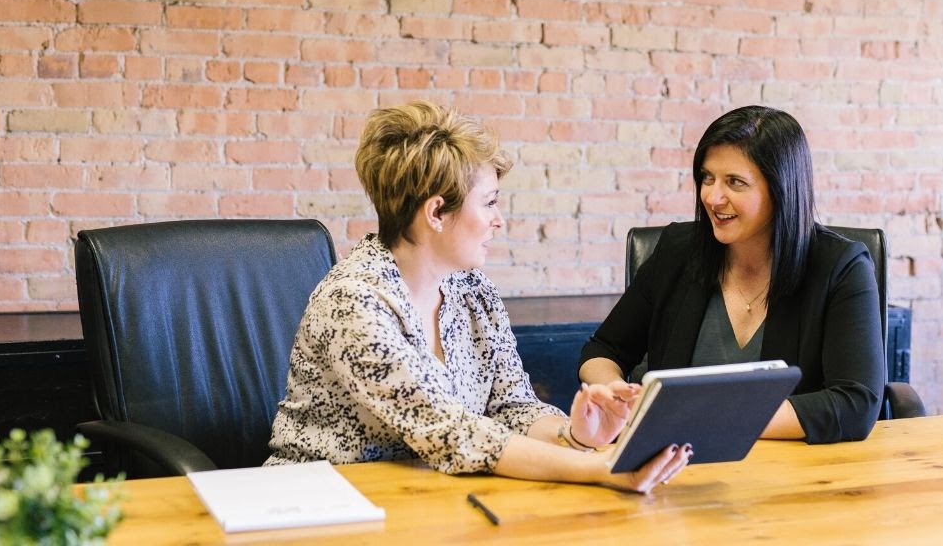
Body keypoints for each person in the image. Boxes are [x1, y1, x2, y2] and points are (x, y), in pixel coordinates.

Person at [266, 101, 691, 492]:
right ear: (435, 213)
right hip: (317, 504)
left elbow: (512, 406)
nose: (499, 220)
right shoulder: (353, 302)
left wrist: (576, 435)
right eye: (489, 203)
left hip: (427, 498)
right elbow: (451, 432)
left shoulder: (473, 290)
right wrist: (601, 468)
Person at [579, 105, 884, 444]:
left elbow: (856, 403)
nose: (712, 196)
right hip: (674, 466)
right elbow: (602, 349)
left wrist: (702, 418)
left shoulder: (841, 266)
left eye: (735, 182)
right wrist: (613, 393)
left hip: (791, 471)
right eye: (707, 178)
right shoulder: (678, 251)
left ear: (781, 189)